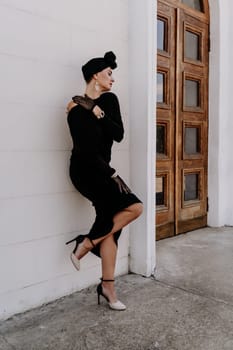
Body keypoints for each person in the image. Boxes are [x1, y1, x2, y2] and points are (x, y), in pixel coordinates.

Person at [66, 51, 143, 311]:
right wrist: (111, 174)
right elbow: (85, 151)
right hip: (85, 171)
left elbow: (118, 134)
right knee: (134, 207)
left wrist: (97, 111)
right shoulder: (75, 109)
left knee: (111, 225)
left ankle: (105, 282)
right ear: (95, 75)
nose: (113, 78)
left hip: (103, 170)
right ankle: (87, 244)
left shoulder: (109, 101)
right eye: (109, 73)